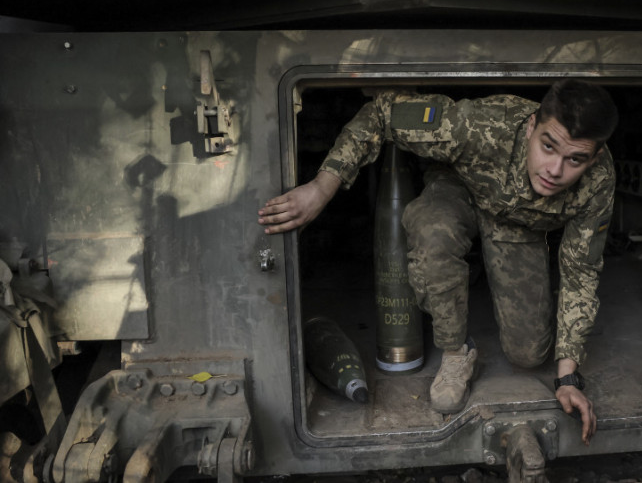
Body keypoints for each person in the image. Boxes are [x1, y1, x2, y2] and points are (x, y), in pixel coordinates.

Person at [258, 79, 618, 445]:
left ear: (594, 156)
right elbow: (382, 112)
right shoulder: (477, 125)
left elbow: (581, 271)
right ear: (530, 127)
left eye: (574, 159)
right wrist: (322, 188)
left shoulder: (598, 182)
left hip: (515, 225)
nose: (555, 170)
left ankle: (471, 270)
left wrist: (568, 377)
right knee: (433, 231)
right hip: (459, 188)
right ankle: (455, 349)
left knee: (528, 355)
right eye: (547, 147)